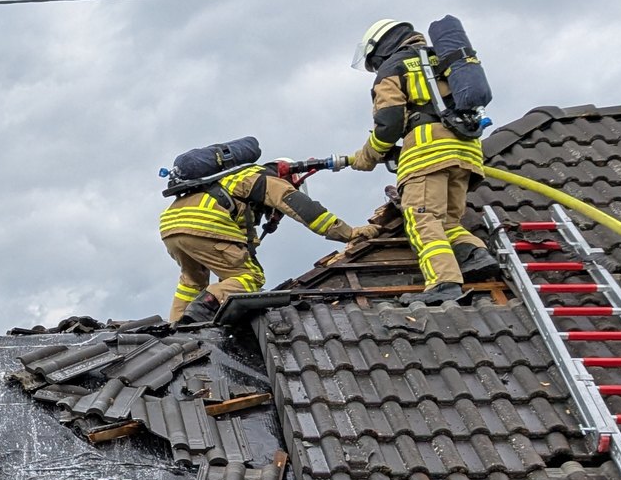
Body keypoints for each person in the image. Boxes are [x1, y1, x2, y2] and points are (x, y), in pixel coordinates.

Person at [344, 19, 497, 304]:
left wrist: (368, 155)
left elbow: (389, 124)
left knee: (421, 219)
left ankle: (443, 283)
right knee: (447, 221)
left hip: (427, 154)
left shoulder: (393, 67)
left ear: (380, 49)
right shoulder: (441, 58)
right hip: (466, 150)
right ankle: (475, 255)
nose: (375, 68)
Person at [160, 160, 370, 324]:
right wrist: (349, 233)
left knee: (192, 281)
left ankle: (175, 326)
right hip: (204, 223)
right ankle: (205, 306)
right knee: (251, 277)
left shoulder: (227, 180)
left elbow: (241, 237)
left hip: (171, 224)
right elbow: (302, 208)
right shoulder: (265, 178)